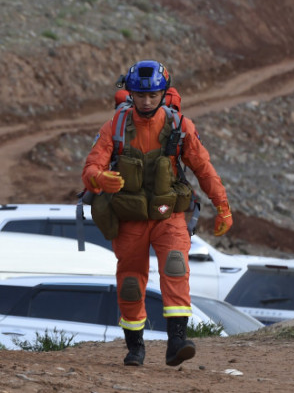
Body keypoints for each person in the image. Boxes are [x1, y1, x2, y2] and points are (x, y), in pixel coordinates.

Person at [82, 60, 233, 367]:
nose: (147, 101)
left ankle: (177, 342)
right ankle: (135, 347)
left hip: (169, 216)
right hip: (130, 218)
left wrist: (222, 207)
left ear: (164, 93)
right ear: (131, 93)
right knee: (130, 283)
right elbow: (91, 167)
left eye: (153, 95)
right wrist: (99, 178)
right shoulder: (115, 126)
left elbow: (204, 169)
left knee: (176, 269)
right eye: (140, 94)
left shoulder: (180, 127)